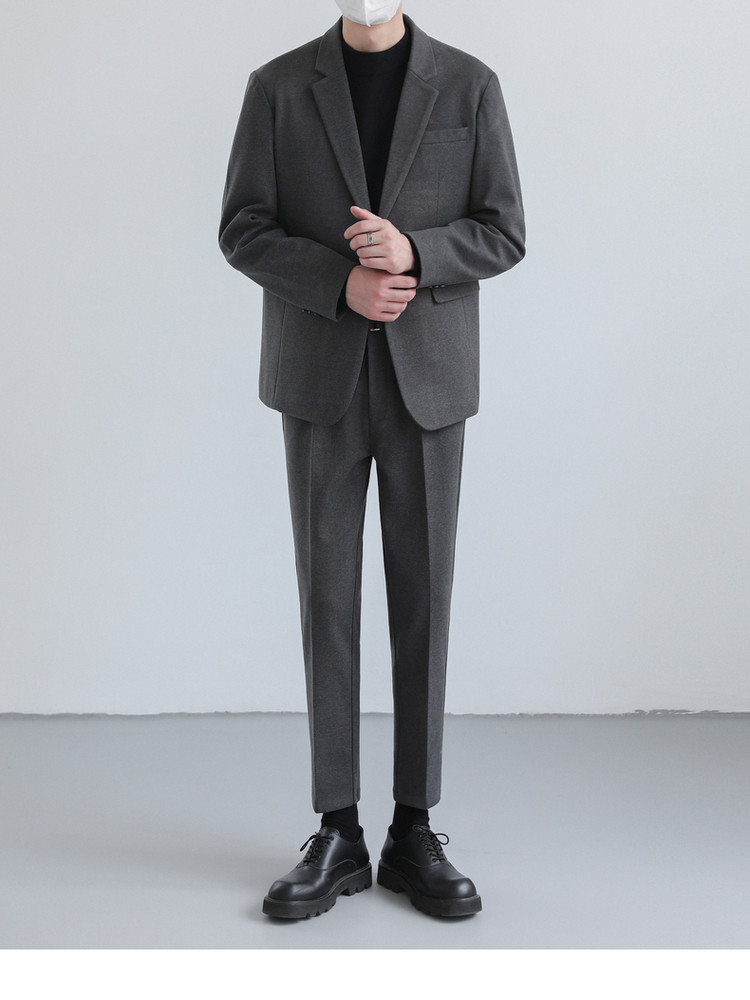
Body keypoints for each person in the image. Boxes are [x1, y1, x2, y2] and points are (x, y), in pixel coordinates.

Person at [219, 0, 525, 919]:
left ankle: (415, 829)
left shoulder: (470, 85)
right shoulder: (278, 87)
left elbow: (503, 230)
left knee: (424, 602)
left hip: (429, 381)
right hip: (320, 376)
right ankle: (337, 830)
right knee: (329, 605)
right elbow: (243, 226)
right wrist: (340, 280)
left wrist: (415, 252)